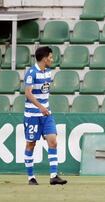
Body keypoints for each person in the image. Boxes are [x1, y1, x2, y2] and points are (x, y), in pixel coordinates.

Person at [23, 46, 67, 185]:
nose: (52, 59)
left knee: (53, 141)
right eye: (51, 57)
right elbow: (28, 93)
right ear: (44, 58)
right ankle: (31, 177)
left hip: (46, 114)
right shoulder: (31, 73)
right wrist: (40, 107)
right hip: (32, 115)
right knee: (31, 144)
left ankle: (54, 176)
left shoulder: (48, 72)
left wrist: (44, 108)